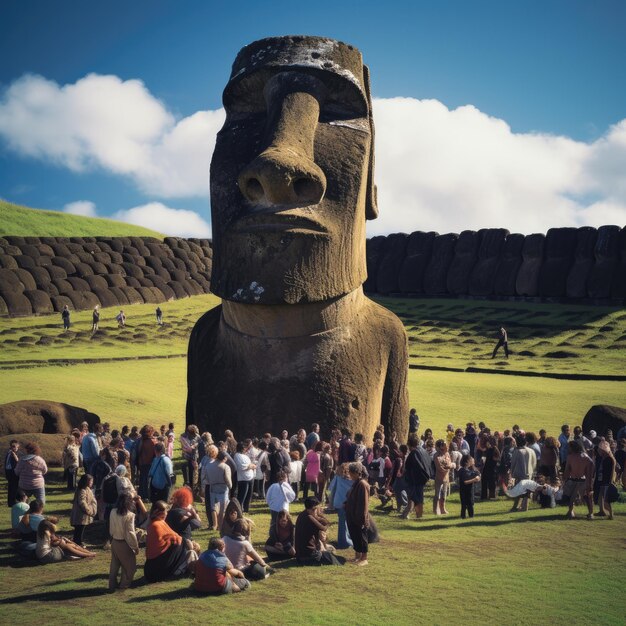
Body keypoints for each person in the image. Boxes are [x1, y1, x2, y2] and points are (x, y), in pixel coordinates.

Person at [144, 500, 198, 582]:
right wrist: (185, 542)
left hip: (153, 565)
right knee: (183, 545)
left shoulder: (158, 522)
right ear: (160, 512)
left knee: (183, 544)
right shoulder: (156, 525)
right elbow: (173, 538)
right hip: (158, 565)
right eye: (165, 511)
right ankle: (183, 568)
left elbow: (171, 536)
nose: (166, 514)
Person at [294, 497, 341, 566]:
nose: (316, 510)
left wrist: (317, 515)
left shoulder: (302, 514)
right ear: (312, 508)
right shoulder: (310, 518)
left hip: (300, 555)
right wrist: (319, 515)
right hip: (309, 556)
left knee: (329, 550)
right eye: (315, 509)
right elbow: (325, 526)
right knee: (330, 555)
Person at [108, 493, 140, 591]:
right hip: (124, 543)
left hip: (115, 541)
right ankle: (124, 585)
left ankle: (112, 585)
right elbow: (130, 533)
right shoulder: (130, 515)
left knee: (114, 566)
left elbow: (111, 528)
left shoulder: (113, 511)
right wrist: (135, 546)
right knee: (130, 567)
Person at [401, 434, 432, 519]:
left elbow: (407, 468)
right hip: (423, 478)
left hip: (415, 480)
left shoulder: (413, 453)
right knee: (415, 498)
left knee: (417, 498)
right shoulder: (423, 450)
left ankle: (419, 516)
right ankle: (406, 514)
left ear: (409, 444)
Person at [345, 462, 370, 566]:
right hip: (352, 515)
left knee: (361, 537)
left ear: (356, 473)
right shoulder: (356, 483)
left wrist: (362, 519)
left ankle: (364, 558)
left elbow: (364, 503)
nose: (349, 475)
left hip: (359, 516)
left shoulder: (362, 484)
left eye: (350, 472)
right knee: (355, 536)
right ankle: (357, 556)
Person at [563, 440, 595, 520]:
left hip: (576, 479)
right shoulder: (585, 457)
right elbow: (590, 469)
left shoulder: (571, 457)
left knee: (582, 497)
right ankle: (589, 513)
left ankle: (572, 511)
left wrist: (564, 479)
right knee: (583, 497)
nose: (568, 449)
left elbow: (567, 470)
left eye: (569, 447)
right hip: (581, 479)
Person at [201, 447, 232, 531]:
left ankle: (214, 524)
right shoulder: (225, 467)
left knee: (213, 507)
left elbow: (205, 477)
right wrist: (230, 487)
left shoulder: (209, 465)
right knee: (222, 507)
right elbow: (228, 480)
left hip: (212, 487)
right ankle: (220, 525)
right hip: (223, 488)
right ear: (224, 458)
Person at [328, 463, 354, 549]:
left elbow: (332, 489)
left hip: (339, 502)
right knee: (349, 522)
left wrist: (330, 504)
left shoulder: (338, 478)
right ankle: (347, 540)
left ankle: (343, 541)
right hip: (350, 502)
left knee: (342, 523)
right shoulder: (354, 479)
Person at [510, 434, 537, 512]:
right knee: (527, 491)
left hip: (520, 474)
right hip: (530, 473)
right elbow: (534, 463)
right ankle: (525, 506)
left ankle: (516, 506)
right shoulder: (531, 450)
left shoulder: (518, 451)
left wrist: (512, 473)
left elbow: (513, 463)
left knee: (518, 491)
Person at [70, 474, 98, 546]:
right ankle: (78, 542)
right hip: (81, 514)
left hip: (83, 514)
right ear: (86, 482)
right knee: (79, 529)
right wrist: (88, 510)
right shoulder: (82, 490)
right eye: (91, 481)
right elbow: (82, 501)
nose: (92, 483)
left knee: (81, 528)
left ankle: (78, 541)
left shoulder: (87, 489)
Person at [594, 440, 615, 520]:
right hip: (601, 479)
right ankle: (601, 511)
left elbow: (611, 472)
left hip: (606, 481)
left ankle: (611, 514)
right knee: (600, 497)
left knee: (606, 499)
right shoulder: (603, 457)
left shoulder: (609, 458)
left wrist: (610, 482)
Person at [433, 440, 455, 515]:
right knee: (437, 494)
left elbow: (452, 464)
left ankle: (443, 508)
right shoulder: (436, 455)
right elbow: (439, 467)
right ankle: (436, 509)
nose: (447, 446)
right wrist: (448, 467)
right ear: (441, 446)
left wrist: (451, 466)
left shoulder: (447, 454)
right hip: (439, 477)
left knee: (444, 494)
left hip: (446, 477)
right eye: (445, 445)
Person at [234, 440, 256, 513]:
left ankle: (246, 509)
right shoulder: (237, 455)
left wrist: (250, 466)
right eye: (244, 448)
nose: (245, 449)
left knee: (249, 495)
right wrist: (250, 466)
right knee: (242, 495)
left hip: (250, 477)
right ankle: (239, 509)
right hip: (243, 479)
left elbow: (251, 464)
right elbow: (241, 467)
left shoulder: (245, 456)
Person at [180, 425, 200, 492]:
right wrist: (192, 447)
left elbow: (198, 442)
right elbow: (188, 449)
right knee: (186, 472)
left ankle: (193, 487)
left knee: (193, 472)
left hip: (194, 457)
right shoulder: (183, 436)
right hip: (186, 457)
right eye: (193, 433)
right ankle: (187, 485)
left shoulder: (197, 436)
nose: (194, 435)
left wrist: (195, 445)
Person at [480, 436, 501, 500]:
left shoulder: (494, 449)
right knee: (484, 482)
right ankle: (484, 496)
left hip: (492, 468)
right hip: (486, 468)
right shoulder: (487, 450)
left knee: (491, 483)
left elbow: (497, 459)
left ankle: (491, 496)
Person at [4, 439, 20, 507]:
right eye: (13, 446)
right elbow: (8, 464)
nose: (16, 448)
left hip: (12, 473)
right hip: (11, 473)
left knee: (13, 488)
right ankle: (11, 502)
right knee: (12, 488)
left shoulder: (13, 453)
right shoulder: (10, 453)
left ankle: (12, 502)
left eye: (16, 447)